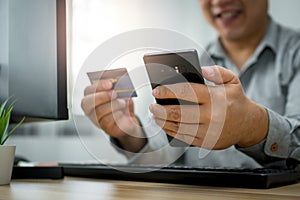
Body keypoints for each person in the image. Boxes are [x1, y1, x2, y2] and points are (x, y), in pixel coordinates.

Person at [81, 0, 300, 168]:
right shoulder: (187, 66)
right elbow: (169, 156)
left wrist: (253, 126)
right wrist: (129, 133)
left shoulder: (295, 53)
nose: (218, 1)